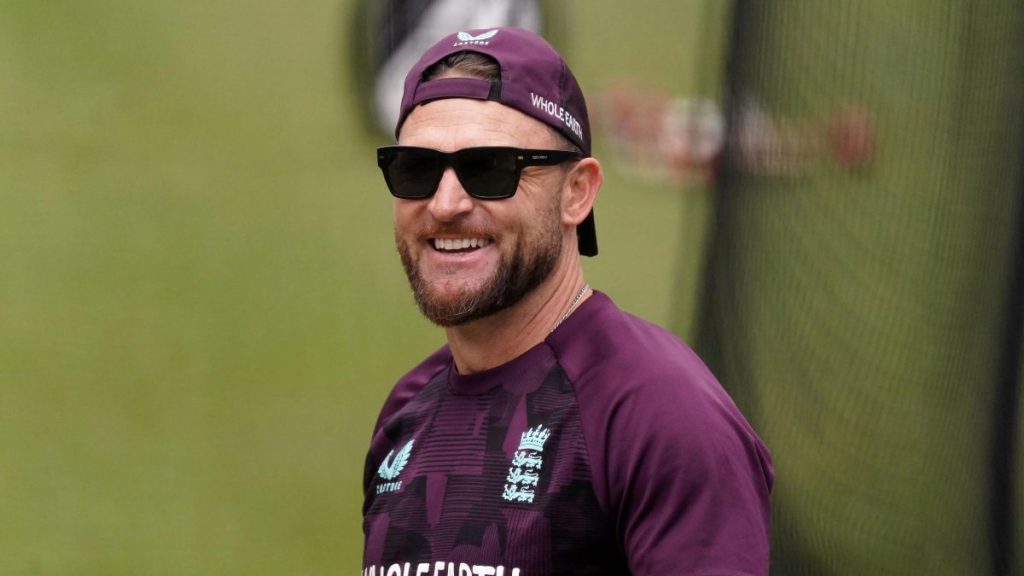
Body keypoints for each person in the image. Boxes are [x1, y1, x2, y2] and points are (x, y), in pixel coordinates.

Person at [363, 27, 773, 576]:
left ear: (577, 192)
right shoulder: (406, 412)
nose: (446, 203)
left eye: (491, 170)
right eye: (416, 169)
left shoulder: (659, 415)